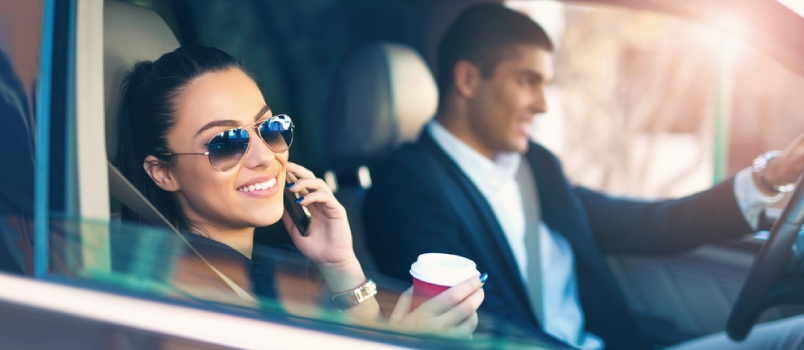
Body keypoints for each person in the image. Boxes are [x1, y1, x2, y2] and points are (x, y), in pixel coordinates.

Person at [363, 3, 804, 349]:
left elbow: (646, 225)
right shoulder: (406, 188)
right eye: (527, 81)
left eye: (545, 84)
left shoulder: (534, 165)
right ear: (467, 80)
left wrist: (769, 178)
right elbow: (480, 322)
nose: (542, 104)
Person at [115, 45, 484, 337]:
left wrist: (340, 266)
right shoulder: (171, 301)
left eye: (270, 128)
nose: (265, 156)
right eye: (225, 142)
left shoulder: (286, 271)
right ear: (163, 173)